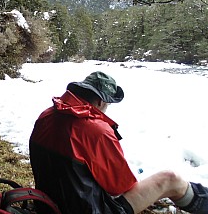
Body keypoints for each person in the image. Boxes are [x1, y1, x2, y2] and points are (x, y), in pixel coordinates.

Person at [29, 71, 208, 214]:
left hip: (48, 204)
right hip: (91, 209)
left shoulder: (46, 115)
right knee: (170, 179)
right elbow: (119, 188)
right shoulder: (96, 130)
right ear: (100, 101)